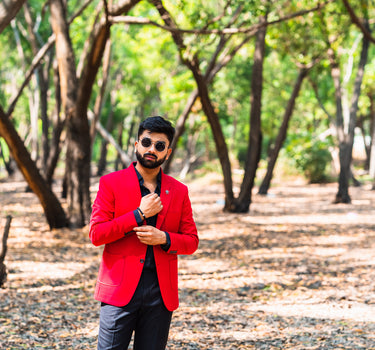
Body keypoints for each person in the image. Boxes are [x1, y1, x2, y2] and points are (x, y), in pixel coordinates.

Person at [89, 116, 199, 350]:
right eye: (146, 142)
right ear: (136, 144)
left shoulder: (178, 191)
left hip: (160, 294)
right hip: (119, 290)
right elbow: (97, 234)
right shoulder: (111, 183)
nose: (152, 149)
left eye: (160, 146)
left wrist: (165, 238)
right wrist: (138, 214)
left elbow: (191, 241)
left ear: (167, 153)